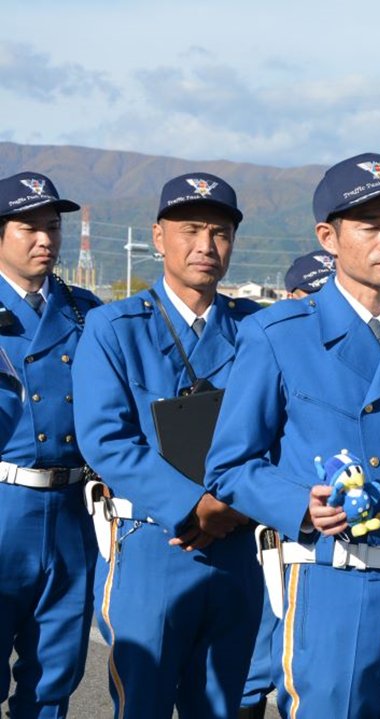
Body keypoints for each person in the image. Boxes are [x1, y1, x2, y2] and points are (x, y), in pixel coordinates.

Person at [204, 153, 380, 719]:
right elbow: (230, 466)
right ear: (328, 236)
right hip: (334, 581)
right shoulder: (277, 335)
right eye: (370, 226)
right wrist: (300, 504)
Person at [73, 172, 261, 718]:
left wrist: (236, 506)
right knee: (144, 703)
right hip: (154, 542)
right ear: (159, 238)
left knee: (224, 704)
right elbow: (107, 440)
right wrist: (192, 506)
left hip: (236, 544)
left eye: (221, 233)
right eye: (191, 230)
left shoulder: (257, 329)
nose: (206, 246)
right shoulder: (114, 327)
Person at [0, 171, 101, 718]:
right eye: (29, 227)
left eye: (53, 227)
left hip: (70, 509)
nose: (45, 239)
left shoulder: (85, 311)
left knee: (54, 673)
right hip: (3, 506)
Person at [239, 248, 338, 719]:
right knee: (259, 654)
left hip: (331, 538)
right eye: (314, 291)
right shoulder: (277, 341)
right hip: (279, 527)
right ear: (292, 295)